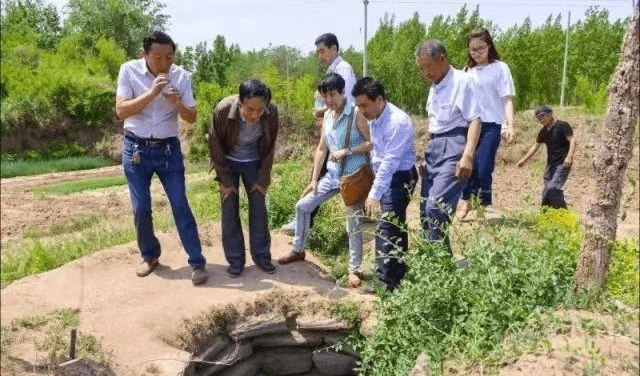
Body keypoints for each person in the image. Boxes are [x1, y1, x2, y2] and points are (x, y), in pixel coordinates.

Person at [115, 31, 207, 285]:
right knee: (141, 207)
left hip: (168, 150)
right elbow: (121, 110)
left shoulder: (181, 76)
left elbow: (191, 117)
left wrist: (177, 102)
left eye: (169, 57)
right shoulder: (128, 71)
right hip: (136, 150)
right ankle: (150, 255)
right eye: (157, 57)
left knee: (180, 205)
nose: (164, 63)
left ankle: (197, 262)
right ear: (144, 54)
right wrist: (152, 94)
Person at [278, 73, 372, 288]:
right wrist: (313, 180)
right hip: (331, 175)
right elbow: (321, 148)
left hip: (354, 176)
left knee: (354, 224)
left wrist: (348, 151)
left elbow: (371, 143)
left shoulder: (356, 113)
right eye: (325, 96)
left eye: (333, 95)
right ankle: (298, 249)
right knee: (303, 206)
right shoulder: (328, 116)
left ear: (342, 92)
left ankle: (354, 269)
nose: (329, 100)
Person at [280, 32, 358, 236]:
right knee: (321, 173)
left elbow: (345, 103)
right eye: (317, 52)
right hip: (333, 132)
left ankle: (306, 223)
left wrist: (321, 110)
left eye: (322, 51)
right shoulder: (333, 71)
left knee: (344, 178)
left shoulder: (343, 69)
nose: (319, 56)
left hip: (344, 134)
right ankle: (304, 221)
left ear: (334, 49)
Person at [416, 40, 482, 252]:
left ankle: (441, 266)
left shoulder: (463, 81)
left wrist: (468, 156)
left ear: (442, 59)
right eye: (421, 68)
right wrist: (426, 155)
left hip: (454, 145)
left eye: (428, 66)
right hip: (435, 147)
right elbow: (434, 124)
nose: (425, 72)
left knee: (436, 207)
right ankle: (435, 264)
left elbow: (475, 119)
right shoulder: (434, 88)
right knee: (425, 210)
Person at [209, 79, 279, 277]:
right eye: (250, 109)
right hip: (228, 161)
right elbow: (215, 144)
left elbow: (270, 146)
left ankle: (262, 257)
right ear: (240, 102)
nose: (255, 115)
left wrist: (263, 179)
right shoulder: (223, 109)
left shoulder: (271, 112)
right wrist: (225, 181)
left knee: (259, 208)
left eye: (259, 110)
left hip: (254, 162)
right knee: (229, 207)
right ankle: (235, 260)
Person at [353, 77, 416, 292]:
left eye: (365, 105)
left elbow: (390, 162)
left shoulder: (397, 121)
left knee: (386, 225)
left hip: (399, 176)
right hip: (386, 174)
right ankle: (396, 276)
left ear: (379, 100)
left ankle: (384, 282)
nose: (362, 110)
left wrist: (374, 193)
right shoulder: (375, 117)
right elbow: (377, 153)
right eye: (359, 106)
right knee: (395, 225)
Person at [458, 29, 516, 218]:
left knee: (484, 165)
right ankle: (465, 202)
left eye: (481, 48)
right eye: (472, 49)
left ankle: (486, 204)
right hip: (469, 126)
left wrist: (510, 125)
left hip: (491, 124)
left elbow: (506, 98)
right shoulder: (467, 71)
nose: (476, 52)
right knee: (468, 164)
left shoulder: (500, 68)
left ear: (489, 46)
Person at [517, 105, 576, 208]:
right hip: (550, 166)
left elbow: (572, 140)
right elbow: (535, 146)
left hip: (562, 164)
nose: (540, 120)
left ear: (550, 114)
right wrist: (524, 160)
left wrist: (569, 156)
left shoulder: (562, 125)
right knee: (546, 192)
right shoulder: (543, 132)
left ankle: (562, 216)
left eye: (542, 116)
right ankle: (546, 215)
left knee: (553, 188)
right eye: (538, 118)